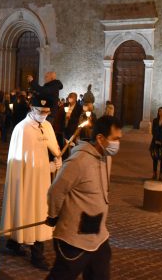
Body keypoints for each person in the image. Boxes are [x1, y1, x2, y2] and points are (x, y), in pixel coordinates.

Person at [46, 115, 121, 279]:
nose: (117, 144)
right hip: (75, 239)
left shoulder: (106, 158)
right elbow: (56, 191)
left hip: (99, 236)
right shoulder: (78, 161)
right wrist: (53, 215)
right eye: (115, 139)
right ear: (100, 138)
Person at [0, 93, 62, 270]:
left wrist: (58, 160)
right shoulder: (23, 129)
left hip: (42, 181)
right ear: (32, 109)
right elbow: (24, 161)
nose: (43, 115)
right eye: (40, 111)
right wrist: (48, 167)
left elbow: (53, 148)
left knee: (39, 209)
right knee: (29, 208)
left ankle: (16, 243)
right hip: (27, 180)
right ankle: (36, 253)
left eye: (46, 112)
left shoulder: (47, 126)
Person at [150, 107, 162, 181]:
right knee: (155, 158)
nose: (160, 112)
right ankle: (154, 174)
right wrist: (156, 140)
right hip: (155, 141)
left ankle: (161, 175)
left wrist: (160, 141)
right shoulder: (155, 120)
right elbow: (153, 131)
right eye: (159, 111)